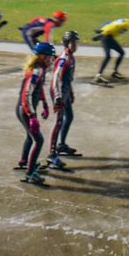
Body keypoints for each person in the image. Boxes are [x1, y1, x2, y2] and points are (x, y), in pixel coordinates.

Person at [16, 43, 56, 185]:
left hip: (26, 109)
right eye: (50, 57)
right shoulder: (36, 71)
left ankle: (24, 161)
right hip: (25, 109)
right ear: (42, 56)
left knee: (30, 137)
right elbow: (26, 95)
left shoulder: (41, 69)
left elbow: (39, 90)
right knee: (39, 140)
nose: (52, 59)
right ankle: (30, 173)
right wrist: (32, 116)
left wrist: (44, 104)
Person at [47, 30, 80, 168]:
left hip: (65, 92)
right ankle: (51, 154)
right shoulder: (63, 59)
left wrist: (70, 92)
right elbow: (56, 78)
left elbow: (67, 79)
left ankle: (61, 145)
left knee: (69, 117)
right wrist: (58, 97)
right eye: (74, 42)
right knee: (59, 122)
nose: (76, 45)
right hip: (59, 93)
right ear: (67, 43)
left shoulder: (71, 57)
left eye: (77, 42)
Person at [92, 13, 129, 83]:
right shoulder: (126, 25)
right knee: (109, 56)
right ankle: (99, 76)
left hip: (107, 36)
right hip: (106, 37)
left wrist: (101, 29)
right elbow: (115, 26)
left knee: (119, 53)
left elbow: (110, 22)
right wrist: (101, 35)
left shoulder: (126, 20)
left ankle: (113, 73)